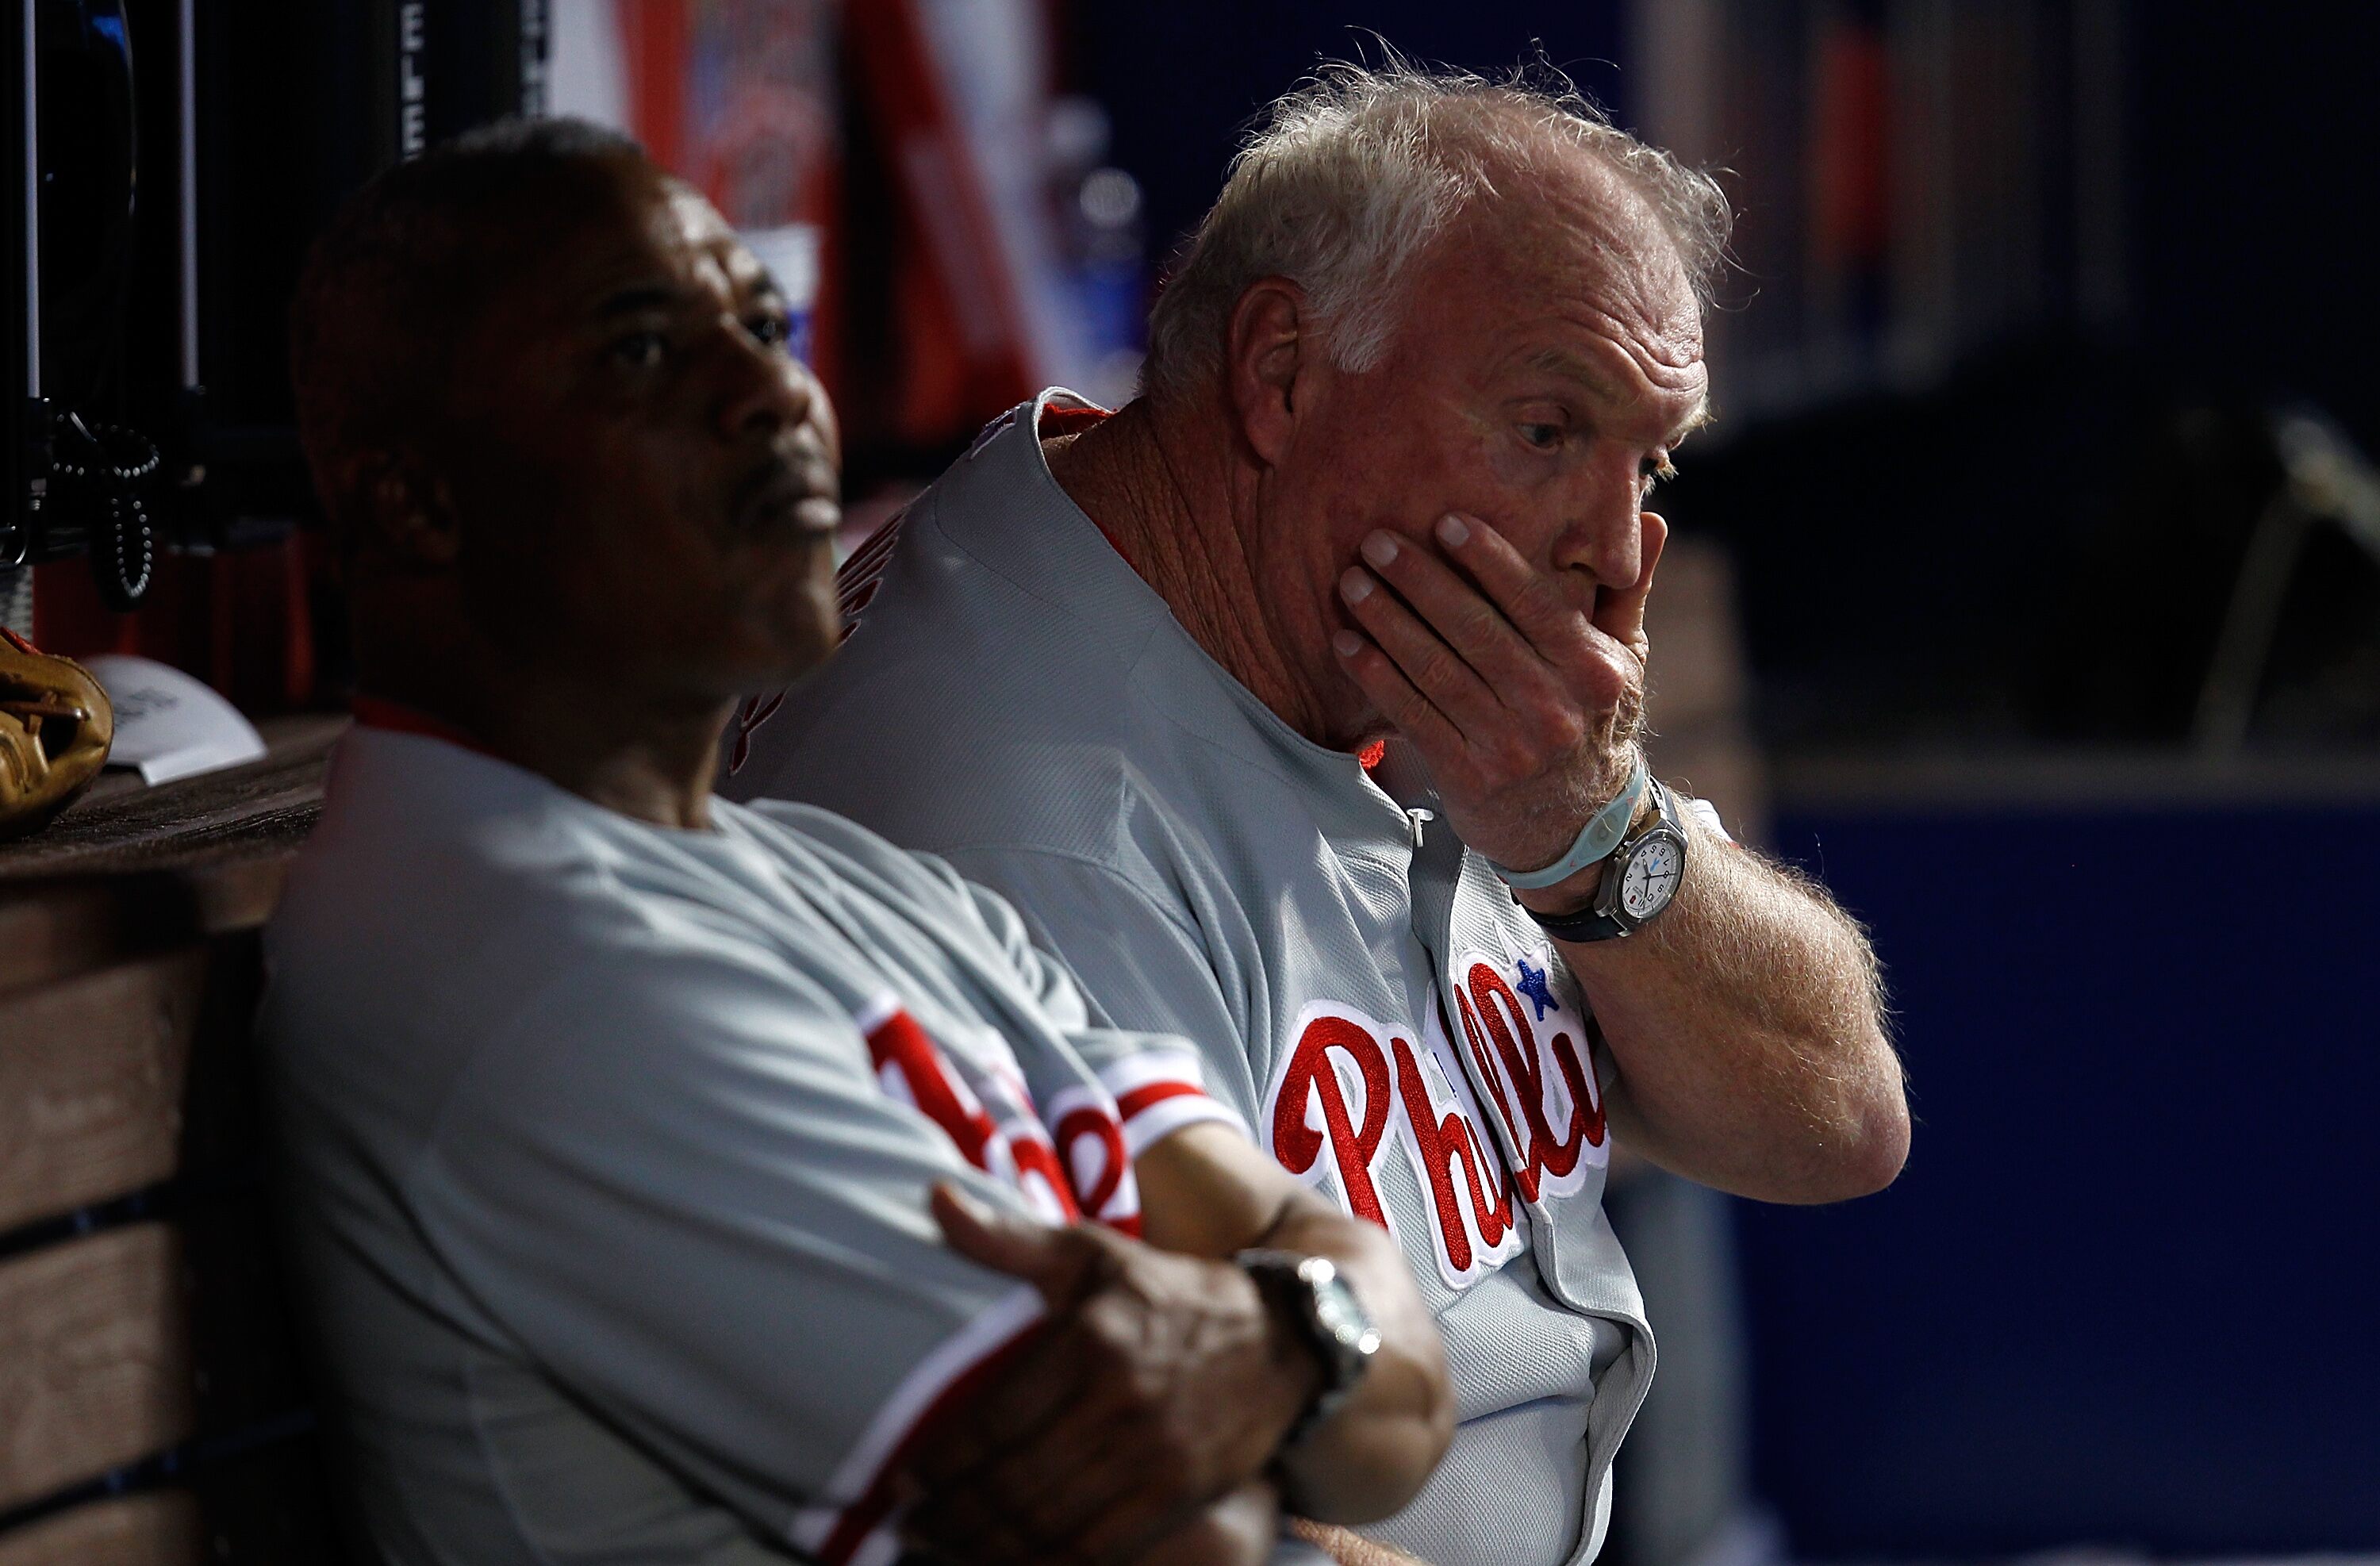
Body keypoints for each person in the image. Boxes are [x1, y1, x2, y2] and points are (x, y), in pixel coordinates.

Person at [724, 62, 1910, 1566]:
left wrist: (1590, 830)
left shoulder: (1384, 641)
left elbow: (1840, 1120)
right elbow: (1141, 1518)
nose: (1619, 555)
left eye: (1650, 461)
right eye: (1550, 428)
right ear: (1281, 372)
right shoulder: (1019, 816)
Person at [259, 117, 1455, 1566]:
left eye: (762, 323)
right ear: (417, 499)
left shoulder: (843, 882)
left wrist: (1291, 1325)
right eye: (642, 353)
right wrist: (1306, 1336)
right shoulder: (525, 960)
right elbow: (1179, 1534)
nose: (770, 393)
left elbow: (1401, 1392)